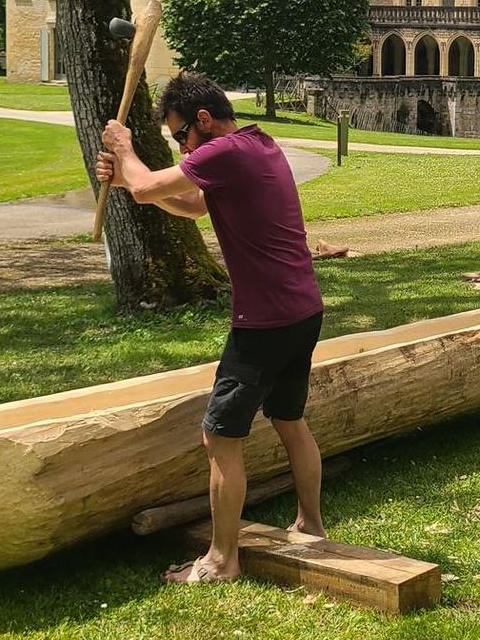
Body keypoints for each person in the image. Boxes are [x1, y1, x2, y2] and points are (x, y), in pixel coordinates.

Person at [96, 73, 326, 585]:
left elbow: (148, 185)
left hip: (264, 321)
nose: (182, 147)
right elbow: (192, 205)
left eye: (181, 135)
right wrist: (128, 184)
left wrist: (125, 149)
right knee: (289, 420)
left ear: (203, 120)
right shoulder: (258, 145)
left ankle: (223, 561)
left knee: (219, 436)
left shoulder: (224, 152)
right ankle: (310, 524)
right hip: (302, 310)